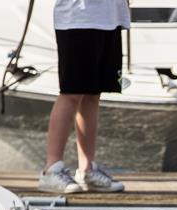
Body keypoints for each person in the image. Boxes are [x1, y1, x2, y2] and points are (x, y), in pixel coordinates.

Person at [38, 0, 129, 193]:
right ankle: (51, 169)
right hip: (77, 19)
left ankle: (87, 169)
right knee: (71, 93)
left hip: (109, 18)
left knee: (92, 94)